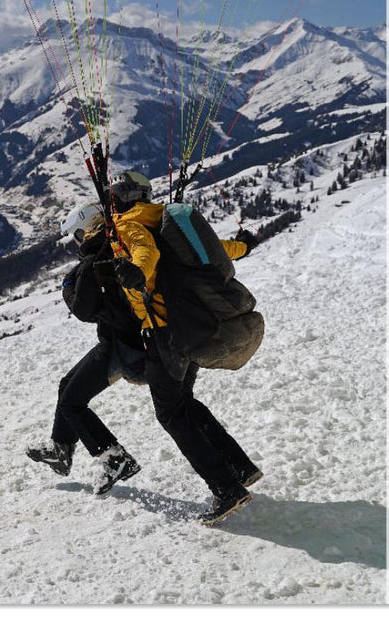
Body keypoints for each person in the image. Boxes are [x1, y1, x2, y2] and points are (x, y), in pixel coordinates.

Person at [107, 171, 262, 525]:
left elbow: (144, 254)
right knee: (184, 404)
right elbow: (216, 248)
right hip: (189, 328)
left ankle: (226, 489)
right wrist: (245, 246)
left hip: (165, 333)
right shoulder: (164, 219)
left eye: (115, 194)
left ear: (123, 197)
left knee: (172, 413)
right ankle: (239, 468)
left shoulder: (129, 225)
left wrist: (135, 271)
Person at [25, 203, 148, 495]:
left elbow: (83, 309)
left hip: (121, 344)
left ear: (86, 229)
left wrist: (69, 286)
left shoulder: (95, 260)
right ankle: (60, 448)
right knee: (68, 385)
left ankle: (115, 459)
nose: (77, 243)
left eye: (77, 235)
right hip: (126, 338)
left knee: (71, 403)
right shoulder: (116, 245)